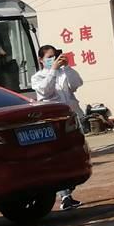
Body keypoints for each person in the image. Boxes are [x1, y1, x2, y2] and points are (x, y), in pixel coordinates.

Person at [30, 44, 85, 210]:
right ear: (41, 60)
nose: (53, 60)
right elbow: (45, 91)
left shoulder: (63, 73)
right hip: (51, 121)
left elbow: (76, 84)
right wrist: (53, 70)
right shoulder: (38, 77)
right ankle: (65, 196)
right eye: (49, 57)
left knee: (74, 155)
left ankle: (68, 190)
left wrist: (67, 67)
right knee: (58, 158)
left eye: (55, 56)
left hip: (69, 119)